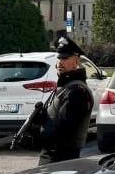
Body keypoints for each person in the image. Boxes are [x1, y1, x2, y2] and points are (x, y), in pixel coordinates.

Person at [32, 31, 94, 165]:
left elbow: (64, 131)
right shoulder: (64, 87)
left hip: (62, 159)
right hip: (52, 156)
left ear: (76, 61)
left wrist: (42, 126)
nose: (60, 63)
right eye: (59, 58)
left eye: (65, 59)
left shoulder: (77, 91)